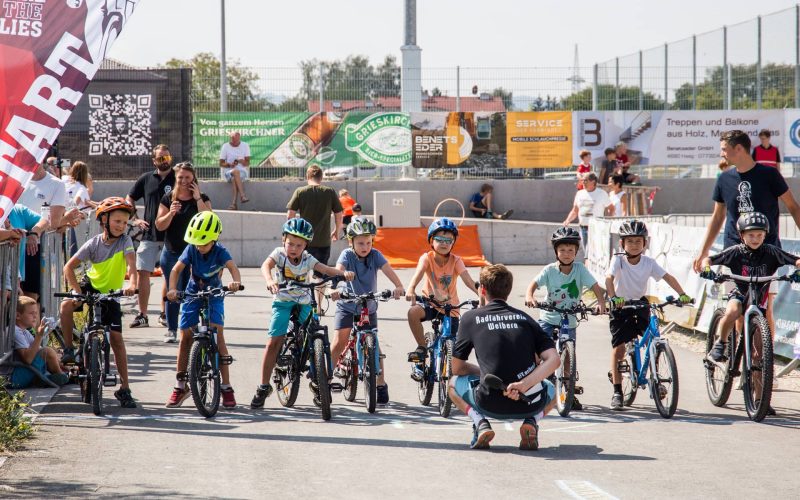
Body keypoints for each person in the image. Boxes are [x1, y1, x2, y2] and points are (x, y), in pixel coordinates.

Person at [692, 130, 800, 336]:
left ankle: (762, 365)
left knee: (765, 310)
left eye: (724, 149)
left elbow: (793, 207)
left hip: (768, 253)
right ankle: (744, 363)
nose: (721, 154)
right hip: (734, 253)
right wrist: (702, 252)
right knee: (739, 312)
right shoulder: (724, 179)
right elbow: (717, 218)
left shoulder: (770, 175)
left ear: (739, 148)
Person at [449, 264, 560, 450]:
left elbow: (457, 368)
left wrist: (483, 372)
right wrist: (523, 384)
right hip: (528, 402)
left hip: (488, 403)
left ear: (482, 289)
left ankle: (480, 423)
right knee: (554, 389)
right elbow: (554, 359)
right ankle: (532, 421)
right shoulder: (525, 319)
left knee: (452, 384)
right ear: (508, 290)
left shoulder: (470, 318)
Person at [250, 218, 354, 409]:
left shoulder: (308, 258)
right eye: (290, 243)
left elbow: (324, 269)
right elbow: (266, 265)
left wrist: (341, 273)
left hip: (304, 301)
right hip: (283, 302)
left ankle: (318, 382)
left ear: (306, 245)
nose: (294, 248)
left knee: (314, 333)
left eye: (299, 245)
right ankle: (264, 386)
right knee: (274, 341)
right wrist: (269, 280)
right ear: (283, 240)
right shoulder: (279, 254)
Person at [59, 197, 139, 408]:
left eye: (124, 222)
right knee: (66, 305)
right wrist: (77, 292)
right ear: (104, 220)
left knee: (116, 339)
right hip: (90, 286)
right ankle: (68, 349)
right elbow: (69, 267)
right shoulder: (94, 243)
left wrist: (132, 284)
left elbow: (132, 266)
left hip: (112, 293)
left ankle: (125, 388)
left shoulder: (125, 242)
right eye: (117, 221)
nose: (121, 226)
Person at [606, 220, 692, 411]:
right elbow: (609, 278)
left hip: (640, 302)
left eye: (638, 241)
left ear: (645, 243)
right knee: (619, 348)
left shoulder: (649, 263)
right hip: (620, 305)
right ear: (622, 244)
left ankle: (655, 377)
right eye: (630, 241)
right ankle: (618, 391)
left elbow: (668, 277)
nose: (634, 245)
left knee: (652, 338)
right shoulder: (618, 260)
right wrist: (613, 298)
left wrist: (682, 294)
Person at [165, 211, 242, 409]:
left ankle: (226, 387)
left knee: (218, 333)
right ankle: (180, 385)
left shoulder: (220, 251)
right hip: (192, 292)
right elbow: (175, 270)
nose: (200, 247)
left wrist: (236, 282)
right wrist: (173, 289)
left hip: (215, 293)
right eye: (197, 243)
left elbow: (233, 268)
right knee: (185, 337)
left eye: (204, 243)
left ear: (215, 239)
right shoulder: (191, 249)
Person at [700, 212, 800, 364]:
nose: (756, 239)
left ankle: (761, 365)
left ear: (765, 235)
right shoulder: (735, 251)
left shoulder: (771, 252)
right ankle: (722, 342)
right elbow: (708, 259)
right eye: (751, 235)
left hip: (760, 297)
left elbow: (796, 260)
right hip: (740, 294)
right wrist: (706, 268)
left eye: (760, 235)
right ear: (742, 235)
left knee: (762, 333)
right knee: (733, 311)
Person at [524, 227, 606, 411]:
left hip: (569, 317)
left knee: (569, 353)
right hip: (548, 316)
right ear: (556, 252)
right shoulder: (549, 270)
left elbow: (595, 286)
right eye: (562, 250)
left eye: (571, 250)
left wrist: (601, 302)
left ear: (576, 252)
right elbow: (533, 284)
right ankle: (534, 386)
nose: (567, 254)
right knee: (539, 352)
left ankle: (569, 391)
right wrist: (530, 296)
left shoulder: (579, 269)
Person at [329, 217, 405, 405]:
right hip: (347, 305)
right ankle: (325, 380)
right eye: (360, 243)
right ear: (351, 242)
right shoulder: (346, 255)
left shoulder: (375, 255)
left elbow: (388, 269)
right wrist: (337, 284)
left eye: (369, 242)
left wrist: (398, 285)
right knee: (340, 341)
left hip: (368, 306)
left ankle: (380, 383)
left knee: (375, 345)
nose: (365, 246)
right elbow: (338, 271)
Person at [405, 218, 480, 380]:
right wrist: (411, 289)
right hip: (430, 303)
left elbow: (468, 280)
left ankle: (448, 369)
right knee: (413, 313)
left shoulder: (456, 260)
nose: (444, 243)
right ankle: (422, 348)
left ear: (453, 243)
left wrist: (482, 295)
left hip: (450, 308)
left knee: (451, 342)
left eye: (449, 240)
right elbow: (417, 274)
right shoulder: (427, 258)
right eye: (440, 239)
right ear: (431, 240)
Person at [155, 162, 212, 343]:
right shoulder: (168, 199)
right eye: (181, 177)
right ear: (176, 178)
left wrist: (197, 199)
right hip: (172, 252)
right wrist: (170, 213)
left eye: (188, 177)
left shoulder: (201, 197)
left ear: (193, 178)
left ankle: (190, 327)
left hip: (195, 253)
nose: (184, 181)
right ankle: (172, 329)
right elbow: (159, 224)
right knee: (174, 290)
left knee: (193, 290)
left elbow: (209, 220)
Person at [127, 145, 176, 329]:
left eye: (167, 157)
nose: (165, 161)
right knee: (143, 272)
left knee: (168, 273)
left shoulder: (177, 177)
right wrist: (134, 220)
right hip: (149, 234)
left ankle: (164, 313)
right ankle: (143, 315)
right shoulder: (146, 178)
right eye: (161, 158)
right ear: (154, 160)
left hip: (171, 235)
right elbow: (129, 198)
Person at [17, 162, 82, 302]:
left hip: (36, 247)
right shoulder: (15, 180)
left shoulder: (56, 184)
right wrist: (65, 221)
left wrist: (62, 222)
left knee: (30, 297)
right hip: (13, 245)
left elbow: (52, 222)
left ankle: (32, 324)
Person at [286, 165, 344, 308]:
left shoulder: (300, 191)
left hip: (303, 242)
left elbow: (290, 214)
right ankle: (318, 306)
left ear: (307, 177)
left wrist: (289, 236)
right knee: (321, 273)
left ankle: (301, 302)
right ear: (321, 177)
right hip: (324, 241)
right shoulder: (329, 192)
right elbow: (339, 214)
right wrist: (337, 230)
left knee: (301, 272)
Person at [11, 296, 69, 388]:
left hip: (21, 372)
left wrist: (57, 360)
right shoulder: (15, 331)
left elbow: (38, 350)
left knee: (51, 352)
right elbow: (28, 359)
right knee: (47, 352)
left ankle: (51, 377)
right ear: (18, 315)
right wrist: (39, 335)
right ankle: (61, 376)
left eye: (36, 313)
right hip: (13, 378)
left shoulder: (25, 331)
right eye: (31, 313)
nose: (35, 316)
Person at [562, 172, 614, 246]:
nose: (583, 182)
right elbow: (575, 210)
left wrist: (608, 222)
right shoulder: (579, 194)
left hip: (597, 228)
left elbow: (611, 208)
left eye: (585, 180)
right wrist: (567, 220)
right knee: (586, 253)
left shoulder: (602, 193)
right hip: (583, 228)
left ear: (593, 182)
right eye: (582, 180)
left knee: (595, 252)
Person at [219, 132, 251, 210]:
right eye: (233, 139)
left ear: (239, 138)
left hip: (242, 173)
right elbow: (221, 163)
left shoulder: (245, 145)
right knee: (235, 172)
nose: (235, 142)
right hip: (228, 172)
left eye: (237, 140)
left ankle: (233, 204)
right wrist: (229, 165)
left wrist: (241, 161)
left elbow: (247, 163)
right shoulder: (225, 146)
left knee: (235, 177)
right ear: (230, 138)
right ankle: (242, 196)